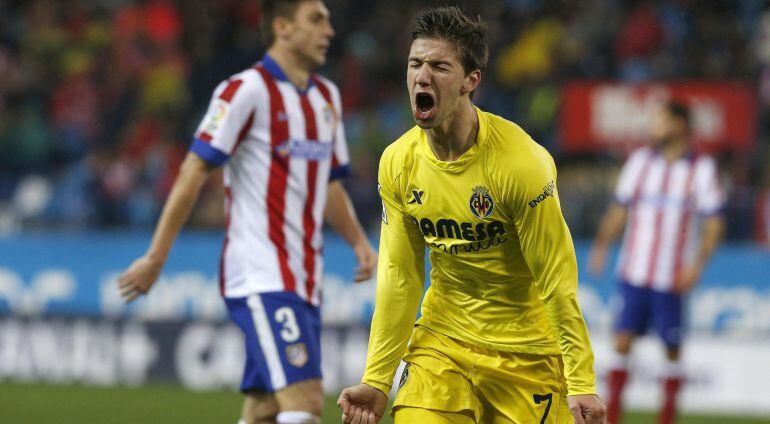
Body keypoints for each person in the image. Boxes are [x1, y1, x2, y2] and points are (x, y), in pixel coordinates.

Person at [338, 6, 606, 424]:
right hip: (443, 342)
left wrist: (581, 378)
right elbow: (400, 275)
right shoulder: (398, 162)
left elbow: (556, 275)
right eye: (415, 64)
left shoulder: (521, 164)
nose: (422, 76)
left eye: (439, 66)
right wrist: (377, 379)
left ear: (470, 80)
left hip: (526, 352)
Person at [117, 1, 377, 423]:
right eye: (316, 19)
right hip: (261, 273)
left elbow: (329, 182)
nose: (328, 30)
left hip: (305, 278)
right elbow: (192, 172)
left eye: (329, 20)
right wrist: (156, 257)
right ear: (282, 27)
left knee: (264, 409)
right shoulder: (245, 90)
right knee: (307, 401)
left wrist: (359, 242)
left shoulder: (326, 98)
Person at [588, 101, 725, 424]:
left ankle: (666, 418)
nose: (654, 126)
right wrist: (601, 245)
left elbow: (714, 223)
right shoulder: (640, 162)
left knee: (672, 350)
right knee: (622, 341)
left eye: (661, 120)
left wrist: (697, 265)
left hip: (671, 276)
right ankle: (613, 417)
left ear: (679, 125)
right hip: (635, 271)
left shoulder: (700, 168)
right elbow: (620, 209)